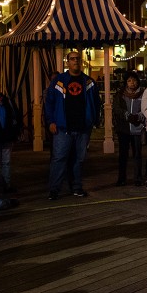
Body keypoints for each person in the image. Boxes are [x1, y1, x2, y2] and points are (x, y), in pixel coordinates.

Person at [45, 51, 100, 200]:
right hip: (63, 128)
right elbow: (49, 103)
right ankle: (54, 189)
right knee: (59, 159)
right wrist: (50, 121)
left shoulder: (89, 82)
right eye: (72, 59)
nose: (76, 61)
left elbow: (96, 102)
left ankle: (76, 187)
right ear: (67, 62)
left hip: (83, 128)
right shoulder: (59, 81)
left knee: (79, 159)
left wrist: (94, 120)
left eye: (78, 59)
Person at [114, 71, 145, 187]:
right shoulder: (120, 94)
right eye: (129, 80)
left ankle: (137, 178)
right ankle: (121, 178)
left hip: (137, 128)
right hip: (124, 129)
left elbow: (146, 108)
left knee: (137, 154)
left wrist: (139, 116)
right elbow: (116, 109)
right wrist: (127, 115)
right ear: (126, 82)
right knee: (123, 155)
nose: (132, 83)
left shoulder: (143, 94)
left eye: (134, 80)